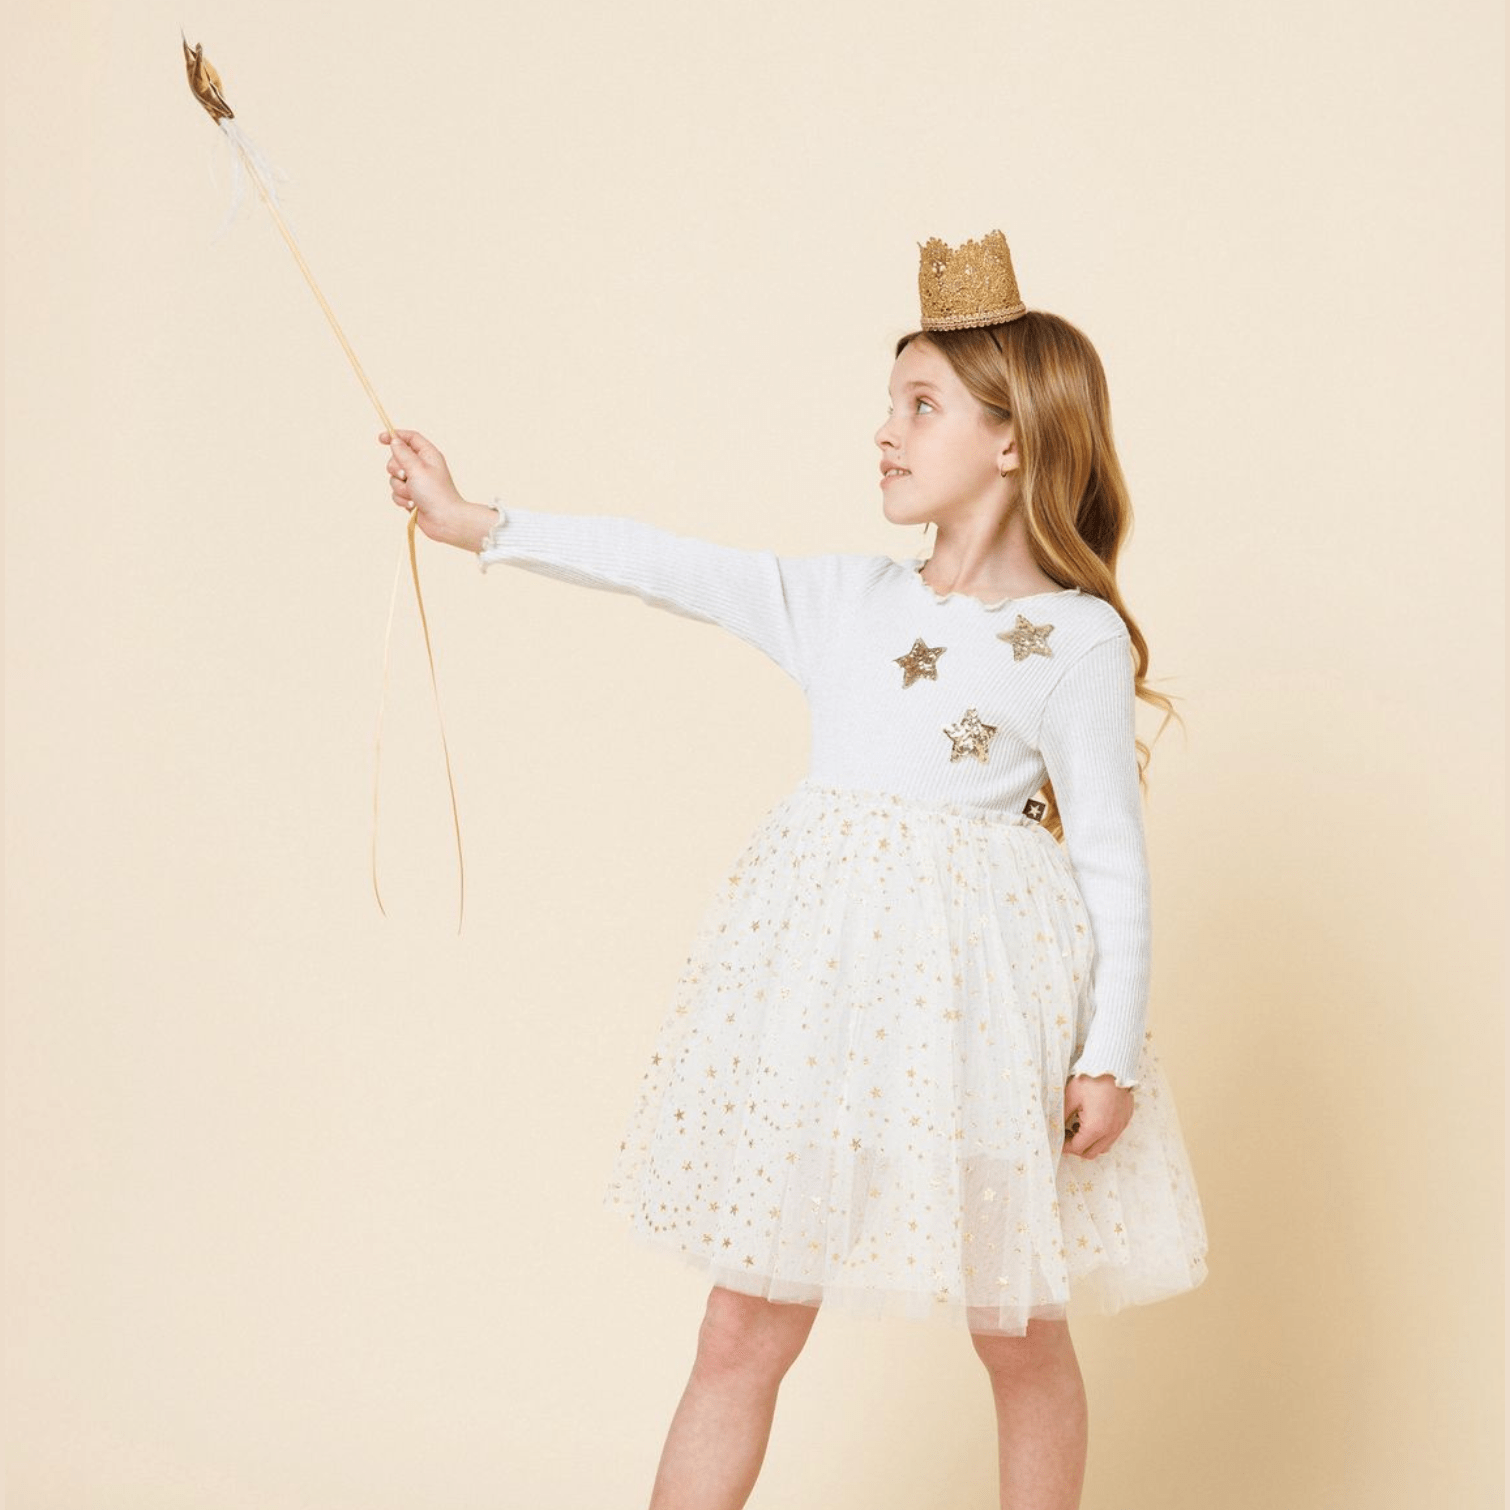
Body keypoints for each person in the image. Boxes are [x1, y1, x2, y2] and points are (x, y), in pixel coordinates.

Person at [376, 229, 1208, 1510]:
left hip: (984, 1028)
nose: (884, 431)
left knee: (1017, 1333)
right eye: (889, 403)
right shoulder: (845, 603)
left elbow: (1110, 866)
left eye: (920, 405)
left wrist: (1107, 1054)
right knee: (739, 1326)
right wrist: (475, 521)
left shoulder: (1073, 639)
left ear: (1011, 439)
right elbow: (664, 563)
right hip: (825, 1013)